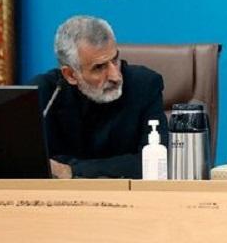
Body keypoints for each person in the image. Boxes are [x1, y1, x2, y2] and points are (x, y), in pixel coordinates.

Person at [31, 15, 168, 179]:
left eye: (115, 60)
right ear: (71, 75)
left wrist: (72, 170)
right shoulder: (45, 93)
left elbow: (154, 164)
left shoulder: (144, 85)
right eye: (99, 67)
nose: (115, 76)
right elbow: (31, 162)